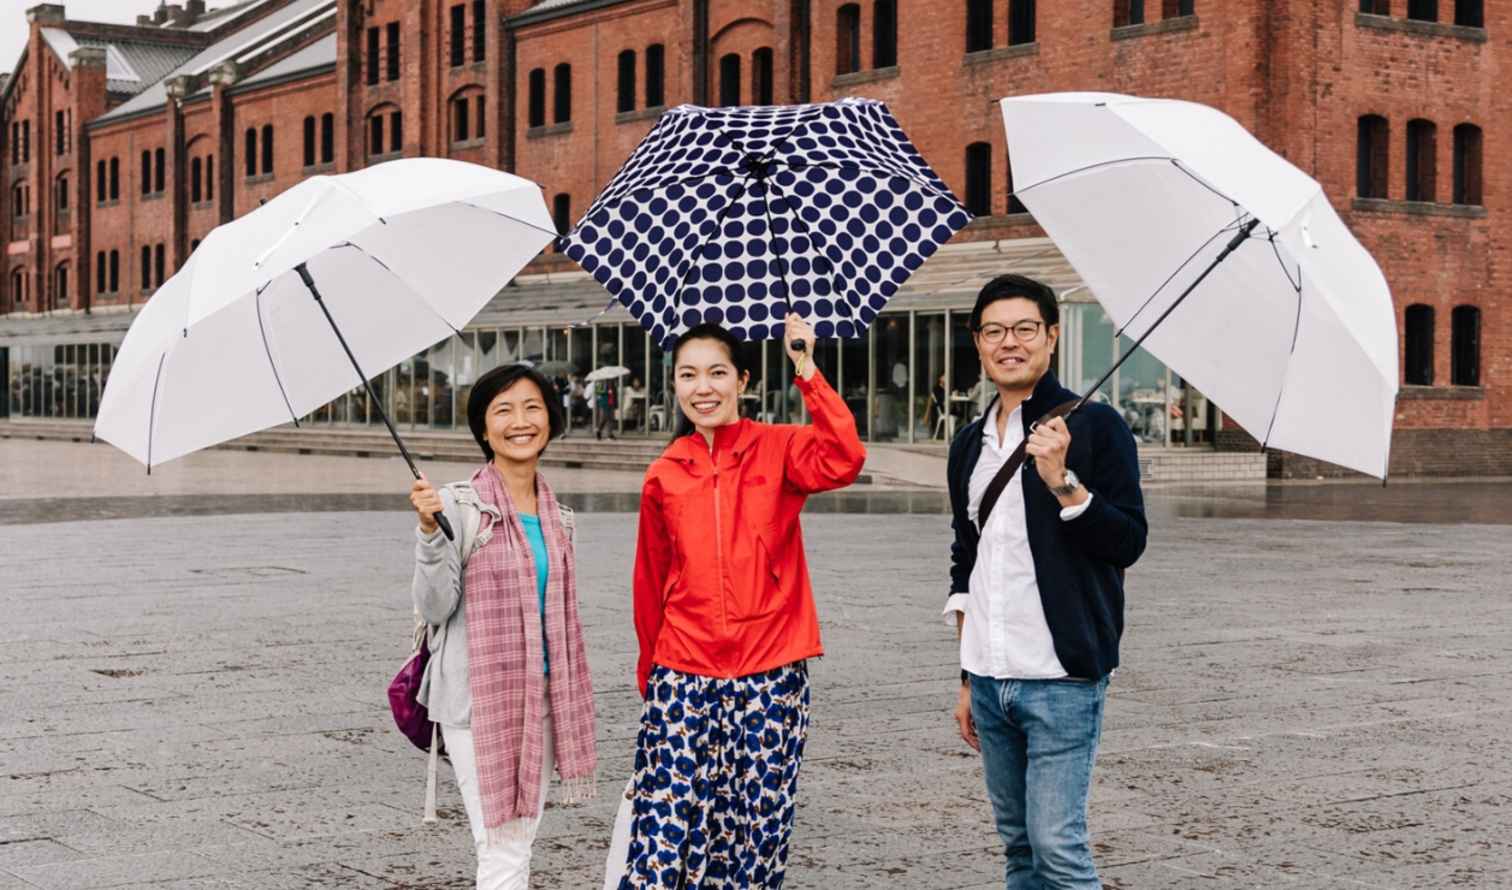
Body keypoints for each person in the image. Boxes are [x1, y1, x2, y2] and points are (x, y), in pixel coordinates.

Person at [611, 314, 865, 889]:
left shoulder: (780, 449)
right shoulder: (664, 473)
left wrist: (805, 366)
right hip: (683, 671)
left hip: (770, 672)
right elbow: (650, 579)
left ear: (743, 380)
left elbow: (844, 457)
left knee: (758, 825)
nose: (703, 387)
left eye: (717, 373)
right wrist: (649, 667)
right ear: (674, 384)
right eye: (688, 375)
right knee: (667, 826)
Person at [944, 275, 1147, 890]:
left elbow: (1127, 542)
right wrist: (965, 675)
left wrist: (1064, 481)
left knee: (1058, 849)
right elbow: (967, 556)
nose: (1011, 342)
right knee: (1019, 849)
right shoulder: (967, 444)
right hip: (989, 675)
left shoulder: (1097, 428)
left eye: (1025, 328)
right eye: (995, 331)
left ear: (1052, 336)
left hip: (1061, 676)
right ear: (978, 343)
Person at [410, 364, 598, 890]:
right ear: (484, 427)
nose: (521, 421)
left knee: (516, 841)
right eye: (504, 409)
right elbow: (433, 606)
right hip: (480, 702)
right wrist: (429, 532)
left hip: (543, 698)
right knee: (505, 847)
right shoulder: (457, 505)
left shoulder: (559, 516)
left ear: (551, 419)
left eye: (532, 407)